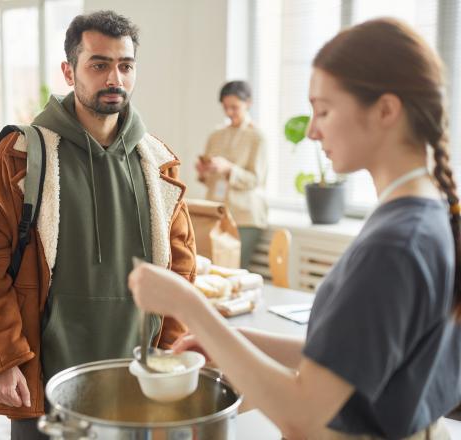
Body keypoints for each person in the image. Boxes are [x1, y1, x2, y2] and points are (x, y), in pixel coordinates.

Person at [130, 18, 461, 439]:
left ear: (386, 110)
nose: (311, 129)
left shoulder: (397, 242)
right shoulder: (423, 213)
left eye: (323, 110)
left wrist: (189, 306)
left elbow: (304, 414)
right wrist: (228, 339)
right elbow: (344, 360)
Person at [0, 10, 196, 440]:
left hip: (134, 382)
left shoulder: (158, 163)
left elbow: (182, 271)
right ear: (69, 71)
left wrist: (170, 355)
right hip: (43, 381)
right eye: (99, 64)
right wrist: (2, 359)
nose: (114, 78)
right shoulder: (21, 155)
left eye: (125, 65)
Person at [196, 80, 267, 267]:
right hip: (217, 212)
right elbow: (210, 181)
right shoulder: (216, 135)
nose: (229, 112)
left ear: (248, 103)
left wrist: (229, 169)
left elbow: (256, 180)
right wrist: (204, 172)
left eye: (234, 107)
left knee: (235, 270)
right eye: (226, 107)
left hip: (245, 216)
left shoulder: (257, 137)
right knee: (213, 269)